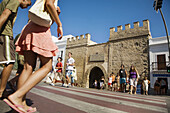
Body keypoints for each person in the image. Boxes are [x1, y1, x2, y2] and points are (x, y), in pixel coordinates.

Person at [3, 0, 63, 112]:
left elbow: (46, 19)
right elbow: (49, 3)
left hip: (29, 28)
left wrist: (56, 14)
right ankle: (17, 96)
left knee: (28, 67)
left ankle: (21, 103)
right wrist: (59, 24)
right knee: (47, 66)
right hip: (39, 30)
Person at [0, 0, 31, 99]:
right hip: (5, 33)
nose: (26, 7)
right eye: (28, 4)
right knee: (9, 62)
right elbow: (5, 15)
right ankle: (1, 91)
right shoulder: (15, 1)